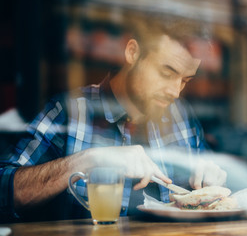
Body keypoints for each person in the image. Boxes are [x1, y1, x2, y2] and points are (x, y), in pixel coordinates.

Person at [0, 13, 226, 222]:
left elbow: (208, 197)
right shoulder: (70, 112)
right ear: (132, 53)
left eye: (186, 80)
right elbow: (5, 189)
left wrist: (210, 178)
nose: (175, 92)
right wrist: (91, 160)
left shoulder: (182, 118)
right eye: (166, 73)